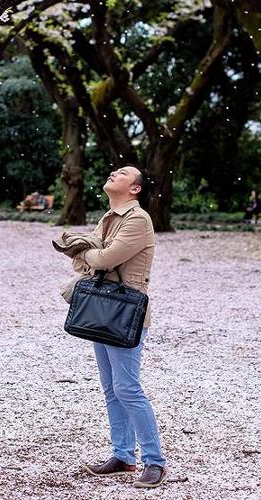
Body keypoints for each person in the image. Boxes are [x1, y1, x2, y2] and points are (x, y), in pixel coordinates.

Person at [71, 165, 167, 489]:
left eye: (123, 172)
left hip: (126, 312)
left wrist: (87, 252)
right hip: (105, 309)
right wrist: (89, 253)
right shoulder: (108, 216)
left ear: (135, 188)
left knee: (127, 387)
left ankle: (155, 462)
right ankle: (123, 455)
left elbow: (103, 258)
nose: (113, 172)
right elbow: (86, 255)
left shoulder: (138, 220)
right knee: (112, 388)